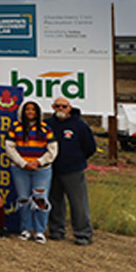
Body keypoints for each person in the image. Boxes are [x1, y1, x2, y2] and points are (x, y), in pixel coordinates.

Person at [4, 101, 58, 244]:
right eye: (27, 109)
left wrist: (38, 162)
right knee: (23, 198)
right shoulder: (14, 127)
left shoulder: (46, 128)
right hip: (20, 169)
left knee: (40, 199)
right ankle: (26, 229)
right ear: (22, 111)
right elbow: (9, 147)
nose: (30, 112)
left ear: (38, 112)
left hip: (42, 170)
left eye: (33, 110)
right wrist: (23, 163)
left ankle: (40, 231)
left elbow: (53, 149)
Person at [47, 97, 96, 245]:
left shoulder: (80, 125)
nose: (61, 109)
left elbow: (90, 147)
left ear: (70, 108)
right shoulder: (48, 124)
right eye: (58, 106)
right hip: (53, 169)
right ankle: (56, 231)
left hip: (73, 170)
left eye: (64, 106)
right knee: (54, 202)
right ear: (53, 107)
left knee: (78, 203)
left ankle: (83, 234)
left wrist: (77, 159)